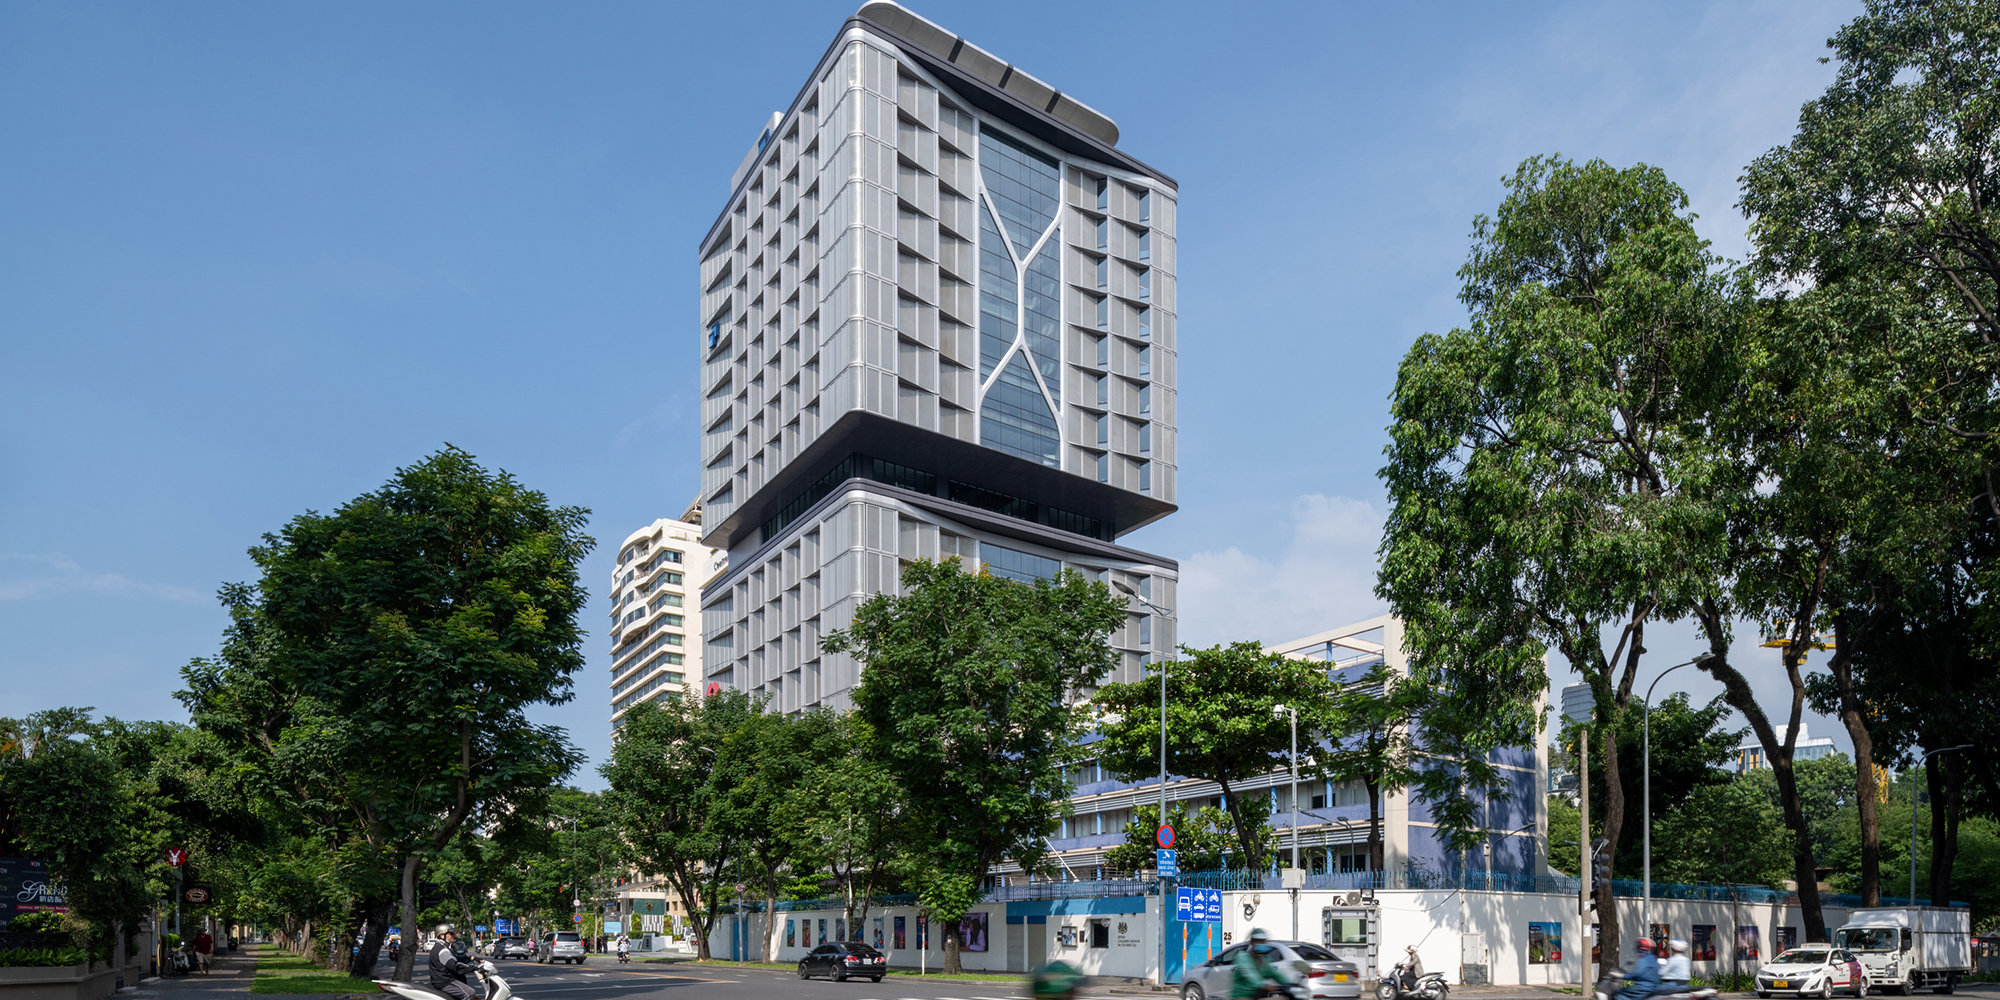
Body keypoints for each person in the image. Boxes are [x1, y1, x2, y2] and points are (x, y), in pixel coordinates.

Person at [1231, 928, 1292, 999]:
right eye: (1258, 941)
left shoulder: (1263, 959)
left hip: (1257, 995)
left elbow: (1274, 973)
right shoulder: (1243, 957)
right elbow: (1251, 975)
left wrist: (1290, 984)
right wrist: (1266, 986)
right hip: (1242, 996)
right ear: (1252, 942)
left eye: (1263, 941)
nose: (1261, 943)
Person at [427, 925, 477, 1000]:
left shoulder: (440, 947)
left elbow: (455, 959)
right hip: (445, 982)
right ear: (442, 936)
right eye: (451, 934)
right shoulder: (442, 950)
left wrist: (470, 958)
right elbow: (455, 966)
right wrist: (474, 968)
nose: (454, 936)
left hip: (442, 981)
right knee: (470, 993)